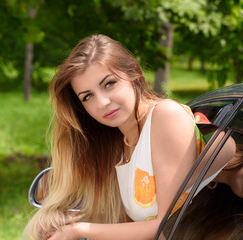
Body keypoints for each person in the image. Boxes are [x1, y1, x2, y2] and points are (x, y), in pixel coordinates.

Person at [24, 34, 236, 240]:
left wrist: (81, 230)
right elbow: (133, 225)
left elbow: (162, 227)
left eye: (109, 84)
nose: (102, 102)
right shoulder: (120, 146)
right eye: (87, 96)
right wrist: (69, 223)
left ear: (134, 74)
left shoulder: (165, 116)